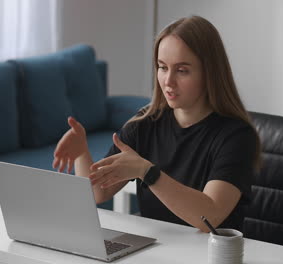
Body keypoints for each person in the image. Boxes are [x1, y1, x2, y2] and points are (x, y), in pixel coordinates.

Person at [52, 15, 261, 232]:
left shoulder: (237, 136)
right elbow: (97, 193)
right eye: (162, 67)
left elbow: (210, 216)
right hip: (156, 252)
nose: (168, 81)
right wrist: (81, 151)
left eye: (182, 70)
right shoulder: (144, 124)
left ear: (210, 73)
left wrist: (148, 173)